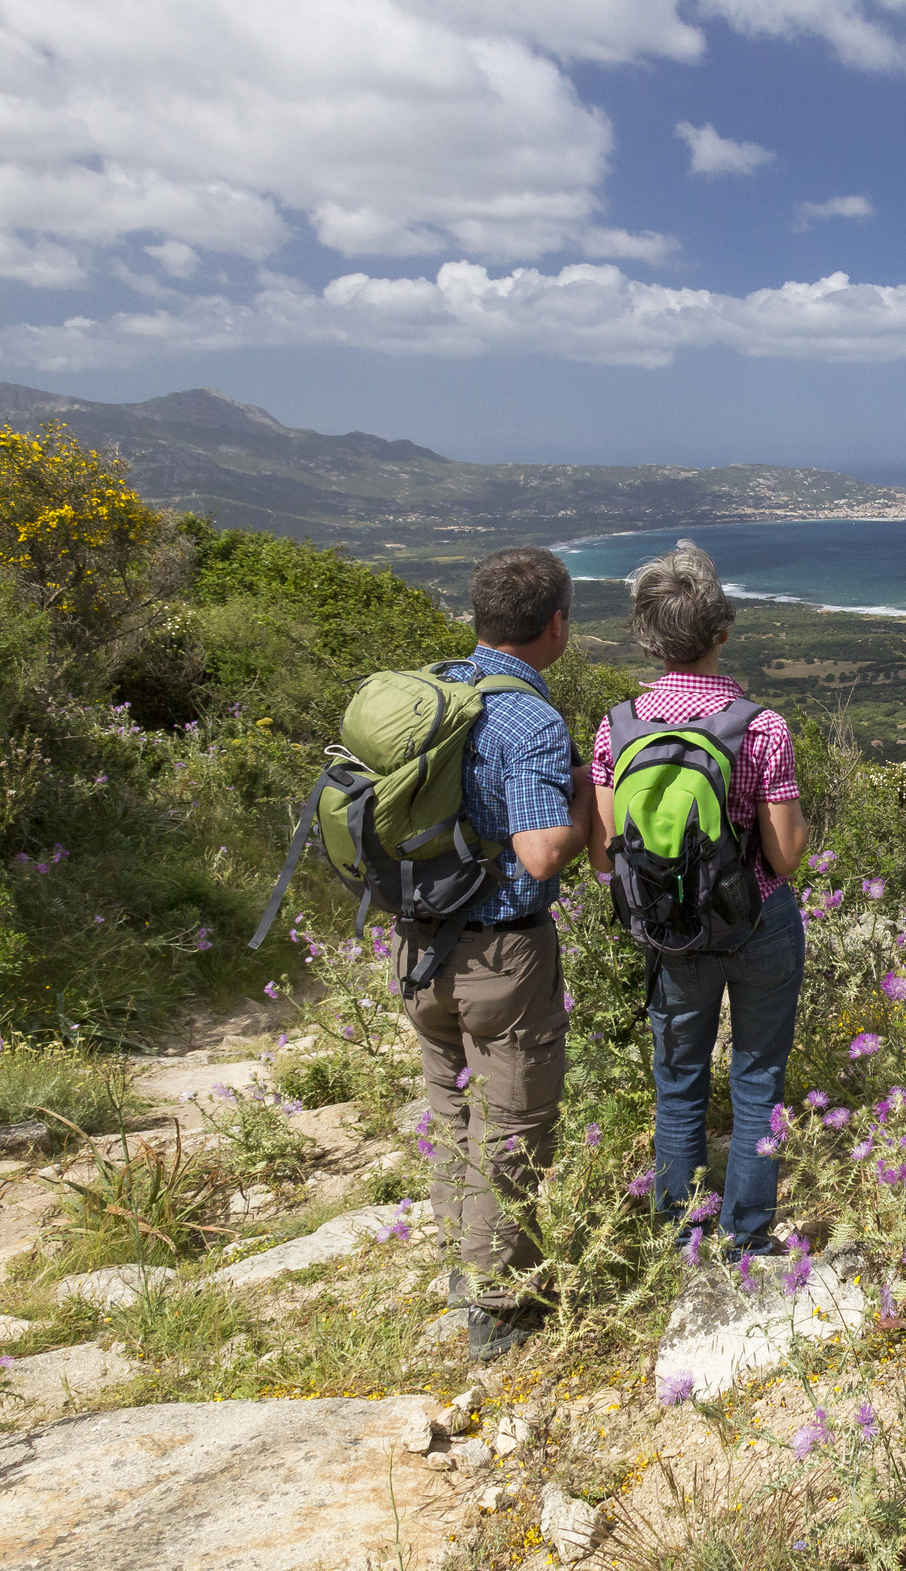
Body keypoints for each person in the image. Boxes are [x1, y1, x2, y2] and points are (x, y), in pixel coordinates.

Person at [400, 546, 593, 1361]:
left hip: (419, 944)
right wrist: (588, 802)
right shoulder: (531, 719)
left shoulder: (434, 689)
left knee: (454, 1115)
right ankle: (502, 1314)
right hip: (500, 958)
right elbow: (544, 854)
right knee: (511, 1126)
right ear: (554, 624)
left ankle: (461, 1272)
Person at [589, 545, 807, 1255]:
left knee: (678, 1082)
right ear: (722, 629)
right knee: (757, 1079)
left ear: (648, 635)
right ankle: (748, 1237)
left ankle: (678, 1236)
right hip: (758, 921)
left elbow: (603, 854)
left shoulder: (616, 727)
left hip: (669, 929)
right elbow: (786, 854)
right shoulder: (761, 726)